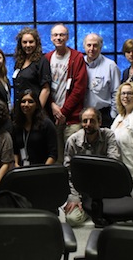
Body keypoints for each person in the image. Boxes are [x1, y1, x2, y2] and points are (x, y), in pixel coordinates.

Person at [64, 107, 120, 227]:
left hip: (103, 188)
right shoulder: (73, 141)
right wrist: (74, 197)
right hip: (82, 190)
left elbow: (113, 164)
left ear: (99, 122)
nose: (88, 124)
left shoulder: (108, 135)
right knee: (72, 219)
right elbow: (68, 173)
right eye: (85, 121)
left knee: (116, 217)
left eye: (92, 121)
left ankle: (95, 209)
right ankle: (87, 208)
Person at [45, 23, 88, 164]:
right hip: (52, 117)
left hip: (72, 117)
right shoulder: (47, 58)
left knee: (74, 156)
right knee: (57, 157)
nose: (59, 38)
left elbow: (79, 88)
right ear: (51, 38)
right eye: (56, 35)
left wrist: (64, 112)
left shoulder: (77, 57)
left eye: (62, 35)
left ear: (67, 37)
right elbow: (44, 85)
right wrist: (51, 105)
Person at [83, 33, 120, 128]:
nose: (91, 49)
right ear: (84, 46)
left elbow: (116, 92)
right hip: (83, 114)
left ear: (100, 47)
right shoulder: (79, 63)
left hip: (103, 115)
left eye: (95, 45)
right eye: (89, 45)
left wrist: (113, 115)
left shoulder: (110, 65)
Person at [13, 89, 57, 166]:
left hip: (41, 170)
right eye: (23, 101)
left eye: (30, 101)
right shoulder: (17, 125)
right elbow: (15, 150)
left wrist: (43, 171)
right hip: (21, 170)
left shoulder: (47, 124)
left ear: (37, 104)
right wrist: (16, 164)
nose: (26, 105)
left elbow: (53, 154)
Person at [12, 27, 51, 109]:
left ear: (36, 43)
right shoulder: (19, 62)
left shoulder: (42, 61)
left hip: (33, 110)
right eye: (24, 42)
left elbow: (46, 89)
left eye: (31, 42)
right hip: (20, 110)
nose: (28, 45)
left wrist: (37, 111)